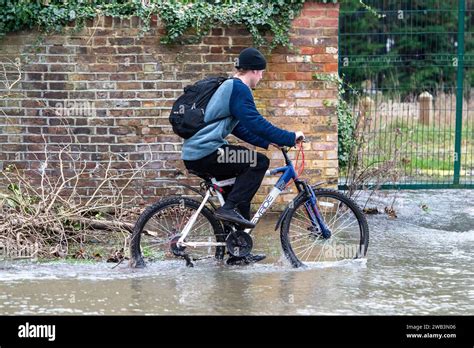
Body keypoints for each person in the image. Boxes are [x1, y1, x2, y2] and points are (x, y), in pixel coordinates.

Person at [181, 47, 305, 265]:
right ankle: (228, 209)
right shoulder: (239, 88)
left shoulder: (231, 87)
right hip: (208, 152)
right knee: (257, 162)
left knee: (240, 194)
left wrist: (268, 141)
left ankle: (238, 252)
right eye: (262, 73)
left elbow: (240, 129)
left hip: (201, 152)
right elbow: (254, 121)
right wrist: (288, 136)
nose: (262, 77)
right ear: (255, 71)